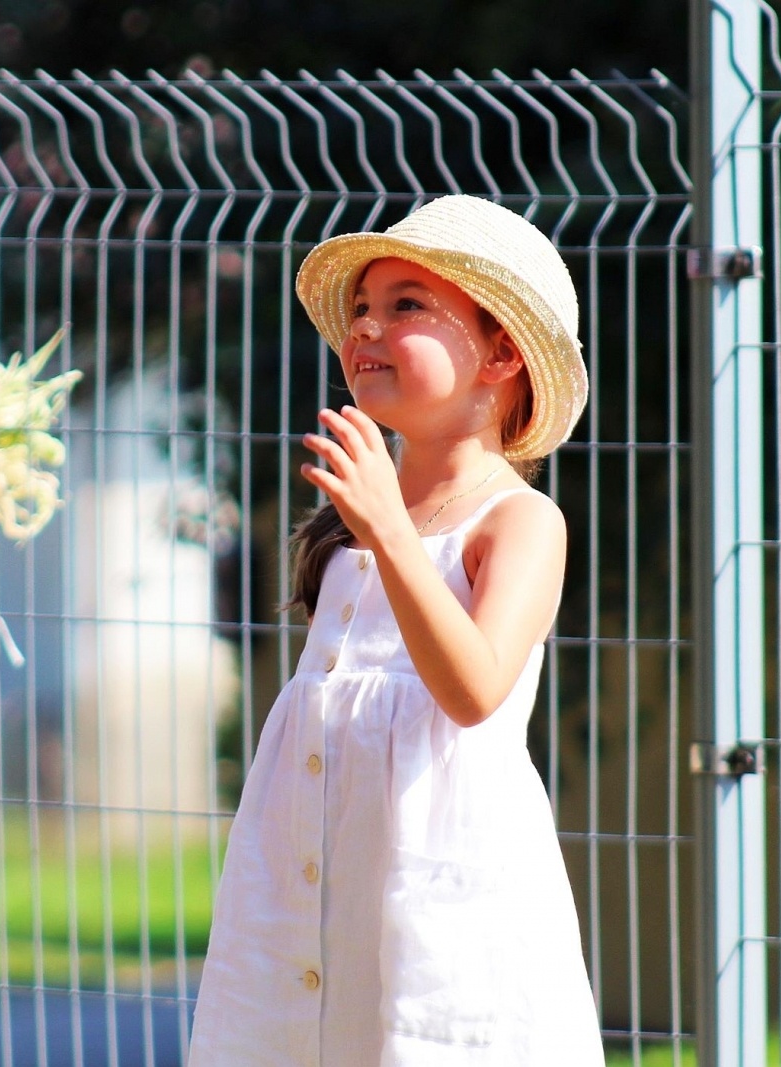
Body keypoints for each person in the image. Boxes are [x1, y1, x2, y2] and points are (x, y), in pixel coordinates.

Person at [188, 195, 604, 1065]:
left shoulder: (519, 522)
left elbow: (473, 690)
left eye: (407, 304)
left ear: (500, 352)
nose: (368, 327)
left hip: (441, 885)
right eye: (364, 308)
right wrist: (376, 522)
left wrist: (389, 530)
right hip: (319, 878)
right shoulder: (351, 525)